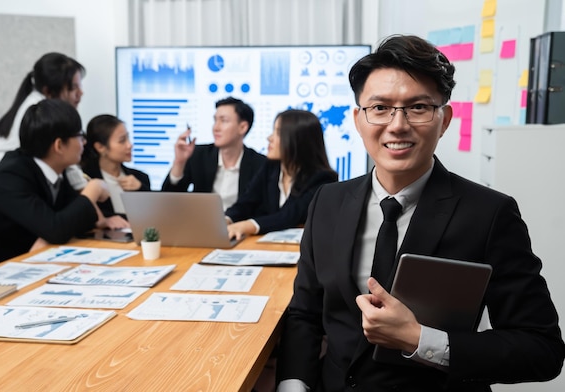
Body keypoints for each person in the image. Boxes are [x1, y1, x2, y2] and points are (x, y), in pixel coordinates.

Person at [276, 35, 564, 391]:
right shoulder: (328, 202)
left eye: (418, 107)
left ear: (444, 120)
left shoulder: (489, 214)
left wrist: (419, 339)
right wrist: (293, 383)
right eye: (380, 108)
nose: (397, 125)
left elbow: (542, 349)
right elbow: (305, 313)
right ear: (358, 119)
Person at [0, 99, 110, 282]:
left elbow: (71, 220)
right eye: (79, 135)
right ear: (59, 145)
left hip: (10, 274)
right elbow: (57, 229)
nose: (84, 142)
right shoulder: (10, 175)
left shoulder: (58, 171)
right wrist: (94, 189)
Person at [0, 52, 86, 191]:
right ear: (49, 91)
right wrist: (88, 189)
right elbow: (62, 159)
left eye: (80, 86)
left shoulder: (40, 105)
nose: (81, 93)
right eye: (73, 88)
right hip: (0, 188)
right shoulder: (38, 113)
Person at [225, 109, 337, 239]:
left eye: (277, 133)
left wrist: (245, 226)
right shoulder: (270, 167)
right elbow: (246, 202)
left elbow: (289, 216)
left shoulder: (322, 178)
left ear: (297, 140)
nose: (269, 138)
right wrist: (227, 220)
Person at [161, 96, 267, 210]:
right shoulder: (198, 155)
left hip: (239, 226)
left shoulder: (260, 164)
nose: (216, 127)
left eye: (224, 121)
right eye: (215, 120)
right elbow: (168, 203)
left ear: (242, 127)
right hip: (202, 224)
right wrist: (179, 163)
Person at [81, 114, 151, 221]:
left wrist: (141, 189)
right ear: (100, 147)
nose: (129, 145)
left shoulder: (140, 178)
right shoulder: (85, 179)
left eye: (128, 138)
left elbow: (153, 217)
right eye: (122, 141)